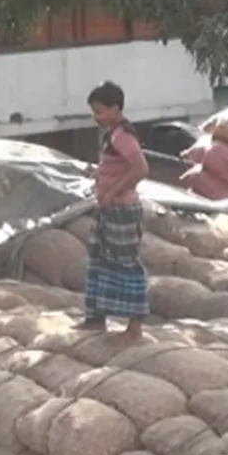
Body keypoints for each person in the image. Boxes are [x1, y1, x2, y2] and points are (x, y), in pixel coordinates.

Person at [82, 80, 151, 339]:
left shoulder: (123, 136)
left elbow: (141, 169)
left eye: (99, 111)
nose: (96, 117)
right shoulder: (112, 136)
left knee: (125, 263)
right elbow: (118, 167)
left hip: (122, 210)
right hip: (108, 210)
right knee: (98, 261)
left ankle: (135, 326)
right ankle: (95, 318)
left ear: (114, 108)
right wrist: (97, 173)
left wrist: (112, 192)